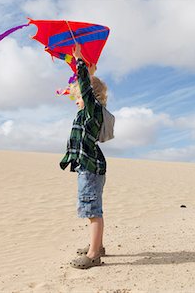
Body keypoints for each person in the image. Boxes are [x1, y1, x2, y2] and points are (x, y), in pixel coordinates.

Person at [59, 43, 108, 269]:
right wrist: (89, 73)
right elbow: (84, 88)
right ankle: (96, 245)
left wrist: (79, 60)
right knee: (92, 209)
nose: (76, 100)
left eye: (79, 97)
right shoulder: (89, 111)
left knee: (92, 211)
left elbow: (86, 90)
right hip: (87, 166)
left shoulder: (92, 109)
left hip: (90, 167)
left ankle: (94, 254)